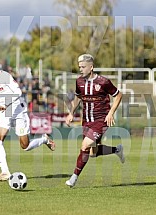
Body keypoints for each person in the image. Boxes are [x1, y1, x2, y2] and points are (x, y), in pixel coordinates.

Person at [0, 55, 55, 182]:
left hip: (18, 108)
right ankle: (5, 172)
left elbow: (18, 92)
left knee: (25, 146)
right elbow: (0, 97)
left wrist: (5, 104)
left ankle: (44, 139)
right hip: (6, 110)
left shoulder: (3, 76)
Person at [65, 54, 124, 188]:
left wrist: (111, 113)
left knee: (85, 146)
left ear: (91, 67)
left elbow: (119, 95)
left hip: (101, 120)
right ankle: (117, 150)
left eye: (83, 67)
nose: (80, 69)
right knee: (92, 152)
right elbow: (78, 97)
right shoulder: (79, 81)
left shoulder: (104, 82)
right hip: (86, 121)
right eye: (79, 67)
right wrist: (71, 112)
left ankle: (73, 178)